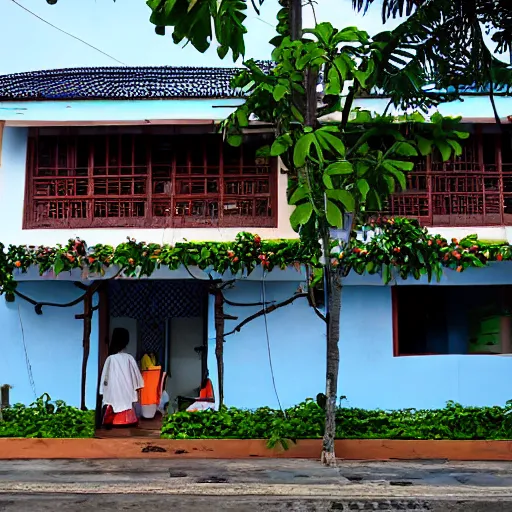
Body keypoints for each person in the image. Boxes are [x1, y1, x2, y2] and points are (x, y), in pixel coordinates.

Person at [100, 327, 144, 427]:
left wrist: (103, 392)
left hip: (113, 395)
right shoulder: (129, 358)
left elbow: (104, 379)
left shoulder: (110, 359)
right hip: (127, 398)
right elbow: (137, 379)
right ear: (126, 341)